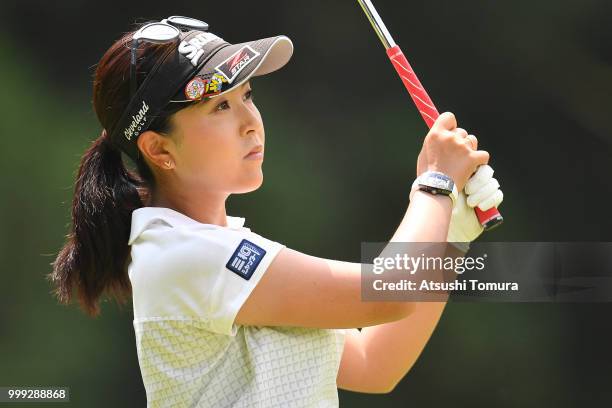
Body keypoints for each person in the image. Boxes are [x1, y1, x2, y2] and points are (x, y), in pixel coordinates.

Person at [49, 16, 503, 407]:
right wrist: (436, 184)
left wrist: (450, 235)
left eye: (247, 95)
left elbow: (374, 364)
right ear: (159, 149)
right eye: (220, 106)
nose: (250, 121)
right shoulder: (186, 256)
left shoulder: (217, 253)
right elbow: (391, 292)